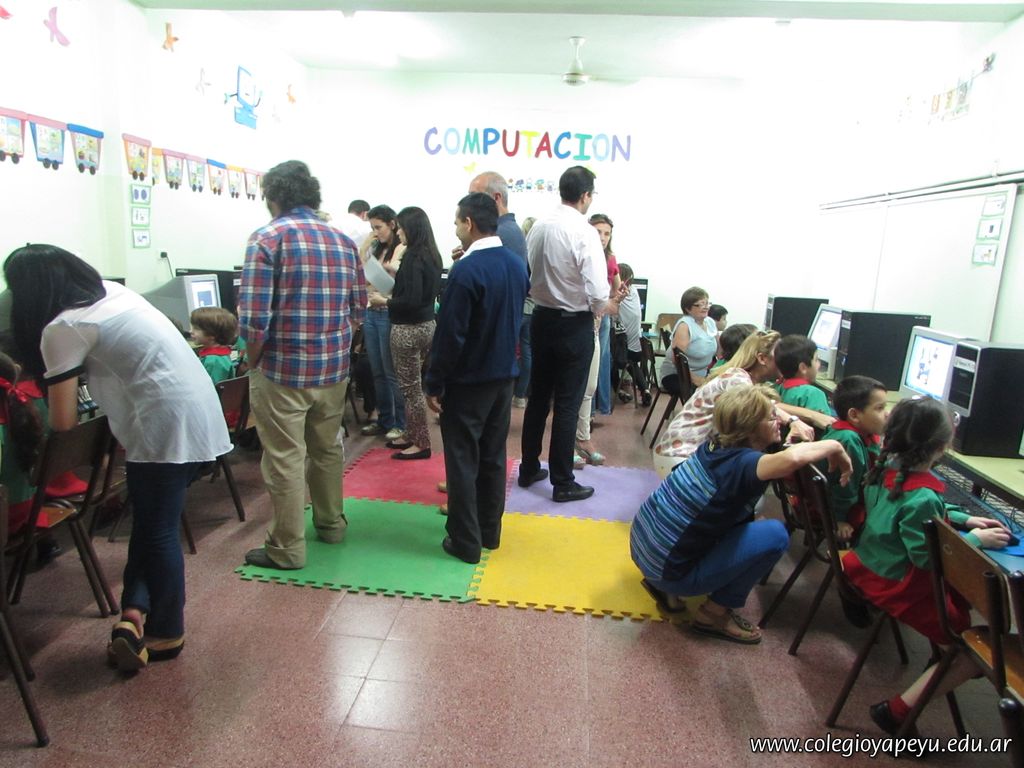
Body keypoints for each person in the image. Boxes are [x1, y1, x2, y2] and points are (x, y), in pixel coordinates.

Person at [4, 244, 232, 672]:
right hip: (196, 412)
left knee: (157, 532)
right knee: (151, 524)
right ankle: (133, 613)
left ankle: (167, 632)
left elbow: (64, 421)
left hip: (161, 427)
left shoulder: (64, 327)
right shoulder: (112, 293)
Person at [840, 397, 1010, 736]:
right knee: (976, 649)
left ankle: (939, 667)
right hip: (897, 585)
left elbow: (910, 508)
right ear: (943, 447)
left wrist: (961, 518)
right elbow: (926, 558)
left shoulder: (885, 470)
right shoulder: (924, 497)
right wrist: (975, 541)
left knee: (964, 621)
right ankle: (897, 712)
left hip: (867, 568)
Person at [631, 385, 852, 643]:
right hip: (666, 571)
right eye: (771, 418)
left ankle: (666, 586)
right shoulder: (745, 464)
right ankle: (713, 615)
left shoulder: (715, 445)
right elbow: (791, 460)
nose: (778, 421)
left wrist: (789, 421)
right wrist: (835, 445)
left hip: (643, 550)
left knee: (748, 520)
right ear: (750, 428)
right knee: (775, 534)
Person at [239, 160, 366, 571]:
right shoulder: (342, 241)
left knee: (285, 458)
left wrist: (252, 363)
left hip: (282, 371)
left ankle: (287, 548)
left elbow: (254, 320)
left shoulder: (266, 239)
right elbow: (358, 310)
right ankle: (331, 525)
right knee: (327, 449)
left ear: (273, 197)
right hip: (333, 370)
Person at [425, 192, 528, 563]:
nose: (455, 229)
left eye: (457, 222)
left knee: (462, 459)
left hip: (469, 381)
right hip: (504, 377)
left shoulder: (466, 270)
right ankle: (489, 532)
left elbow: (450, 335)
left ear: (468, 223)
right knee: (493, 457)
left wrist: (434, 382)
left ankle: (465, 541)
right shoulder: (516, 264)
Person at [519, 166, 625, 503]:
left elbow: (530, 271)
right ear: (586, 195)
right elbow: (597, 291)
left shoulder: (539, 226)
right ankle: (563, 481)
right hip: (573, 323)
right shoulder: (583, 231)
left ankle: (528, 467)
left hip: (541, 318)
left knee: (538, 398)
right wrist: (607, 305)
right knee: (567, 405)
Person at [652, 330, 819, 479]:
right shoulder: (737, 378)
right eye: (780, 356)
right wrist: (796, 420)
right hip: (680, 457)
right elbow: (764, 405)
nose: (785, 361)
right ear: (762, 358)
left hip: (685, 454)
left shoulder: (739, 376)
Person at [467, 172, 531, 411]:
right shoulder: (504, 231)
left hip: (492, 340)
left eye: (474, 197)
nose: (468, 204)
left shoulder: (505, 233)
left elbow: (498, 288)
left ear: (496, 198)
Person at [386, 206, 443, 460]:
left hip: (407, 329)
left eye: (400, 228)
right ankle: (412, 433)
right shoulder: (433, 255)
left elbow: (410, 299)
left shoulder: (412, 257)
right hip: (428, 325)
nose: (398, 233)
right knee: (415, 386)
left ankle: (420, 442)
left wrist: (384, 301)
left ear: (411, 228)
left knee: (410, 389)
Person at [359, 204, 406, 441]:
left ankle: (400, 423)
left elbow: (393, 282)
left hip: (387, 311)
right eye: (372, 228)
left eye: (378, 227)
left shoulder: (401, 248)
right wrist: (365, 245)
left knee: (391, 372)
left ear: (392, 224)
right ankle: (384, 419)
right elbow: (361, 273)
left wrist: (378, 282)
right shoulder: (376, 248)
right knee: (376, 370)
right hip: (371, 311)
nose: (375, 232)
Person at [821, 375, 887, 540]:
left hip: (840, 502)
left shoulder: (859, 433)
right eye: (880, 408)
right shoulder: (849, 440)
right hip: (836, 510)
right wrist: (838, 519)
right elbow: (845, 487)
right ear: (854, 415)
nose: (886, 414)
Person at [588, 213, 621, 417]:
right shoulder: (583, 254)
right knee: (590, 362)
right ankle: (587, 411)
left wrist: (610, 300)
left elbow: (617, 289)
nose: (602, 237)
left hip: (601, 316)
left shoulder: (610, 258)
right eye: (598, 232)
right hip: (586, 313)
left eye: (607, 234)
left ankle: (593, 410)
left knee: (599, 361)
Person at [659, 286, 719, 391]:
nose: (705, 307)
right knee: (711, 392)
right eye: (700, 304)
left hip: (702, 374)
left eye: (707, 303)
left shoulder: (710, 322)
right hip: (678, 375)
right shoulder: (685, 326)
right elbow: (677, 359)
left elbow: (719, 349)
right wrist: (695, 379)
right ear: (688, 309)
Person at [615, 263, 651, 406]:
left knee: (607, 361)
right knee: (632, 363)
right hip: (636, 350)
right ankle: (645, 389)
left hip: (621, 351)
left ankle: (619, 390)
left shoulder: (618, 294)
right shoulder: (634, 291)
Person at [774, 334, 832, 418]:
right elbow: (827, 423)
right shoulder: (814, 394)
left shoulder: (778, 388)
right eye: (816, 360)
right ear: (803, 368)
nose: (819, 364)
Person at [190, 306, 238, 384]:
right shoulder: (220, 355)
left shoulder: (213, 360)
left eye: (196, 328)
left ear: (212, 334)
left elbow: (209, 387)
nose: (191, 331)